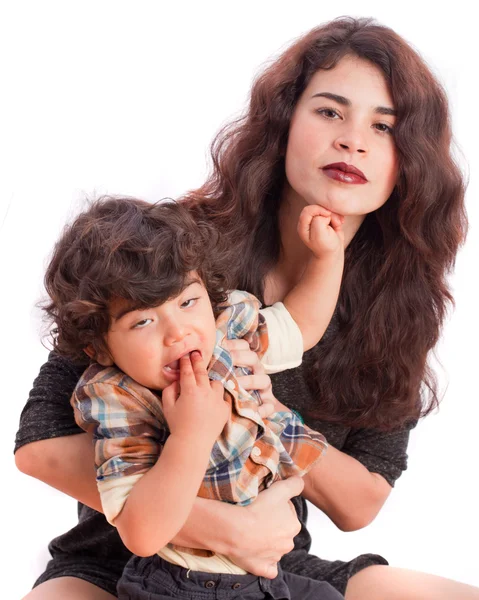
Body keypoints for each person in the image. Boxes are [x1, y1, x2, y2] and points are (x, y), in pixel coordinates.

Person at [14, 16, 474, 600]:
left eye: (384, 128)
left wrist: (262, 406)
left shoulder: (398, 304)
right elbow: (40, 446)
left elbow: (362, 501)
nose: (353, 140)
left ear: (409, 159)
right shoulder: (174, 251)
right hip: (119, 563)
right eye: (330, 112)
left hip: (273, 567)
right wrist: (223, 524)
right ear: (285, 121)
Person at [41, 195, 345, 600]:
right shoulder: (116, 399)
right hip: (183, 585)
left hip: (264, 574)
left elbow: (300, 326)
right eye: (143, 321)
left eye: (187, 301)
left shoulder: (225, 331)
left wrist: (327, 259)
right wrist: (191, 436)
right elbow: (141, 533)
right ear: (100, 348)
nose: (178, 331)